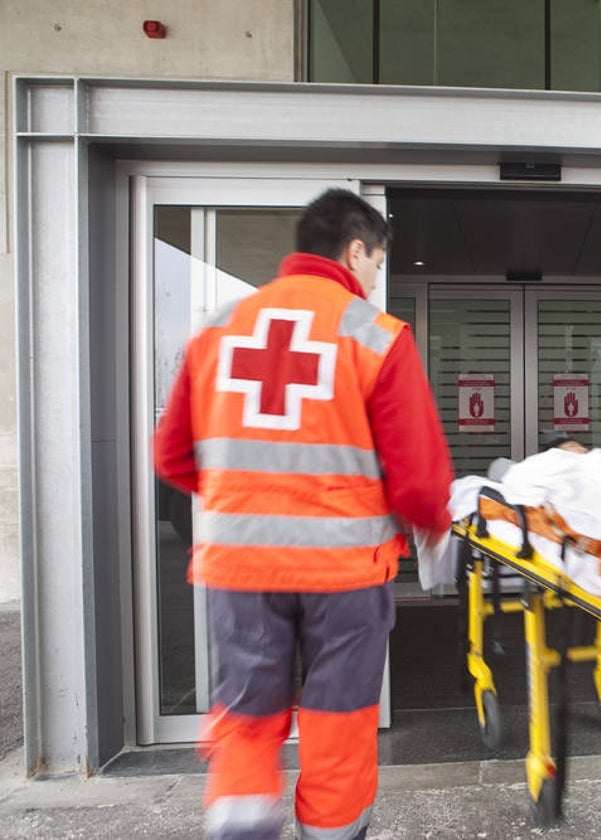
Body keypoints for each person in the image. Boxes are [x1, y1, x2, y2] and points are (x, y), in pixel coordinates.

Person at [154, 188, 453, 840]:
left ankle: (239, 827)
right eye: (376, 261)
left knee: (246, 714)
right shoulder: (375, 335)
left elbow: (172, 456)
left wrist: (247, 499)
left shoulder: (218, 328)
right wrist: (432, 535)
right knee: (338, 719)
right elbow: (421, 479)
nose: (375, 276)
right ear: (355, 250)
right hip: (344, 578)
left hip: (240, 571)